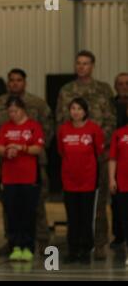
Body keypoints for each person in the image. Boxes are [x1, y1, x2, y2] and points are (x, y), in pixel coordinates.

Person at [56, 50, 116, 260]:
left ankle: (98, 244)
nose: (82, 67)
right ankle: (75, 245)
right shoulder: (66, 90)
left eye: (86, 63)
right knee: (74, 206)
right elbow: (60, 123)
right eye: (79, 63)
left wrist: (97, 143)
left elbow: (110, 120)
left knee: (98, 205)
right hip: (74, 155)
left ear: (93, 66)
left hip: (98, 154)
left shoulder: (103, 89)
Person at [0, 68, 53, 256]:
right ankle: (12, 241)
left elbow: (47, 131)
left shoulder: (38, 104)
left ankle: (41, 241)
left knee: (36, 203)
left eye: (19, 80)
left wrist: (28, 148)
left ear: (25, 82)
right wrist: (7, 149)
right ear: (8, 83)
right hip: (8, 165)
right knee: (10, 205)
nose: (15, 83)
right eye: (12, 80)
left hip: (35, 163)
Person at [0, 96, 45, 262]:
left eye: (15, 111)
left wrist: (21, 147)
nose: (12, 114)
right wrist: (7, 151)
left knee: (28, 214)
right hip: (9, 178)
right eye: (10, 111)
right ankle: (15, 246)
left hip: (28, 177)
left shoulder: (33, 126)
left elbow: (37, 148)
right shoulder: (5, 127)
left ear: (23, 109)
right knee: (12, 213)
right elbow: (0, 147)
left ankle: (28, 247)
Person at [57, 98, 104, 264]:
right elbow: (61, 152)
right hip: (69, 180)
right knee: (72, 217)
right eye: (73, 108)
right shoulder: (63, 130)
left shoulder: (93, 129)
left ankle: (86, 250)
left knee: (86, 217)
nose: (75, 112)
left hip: (88, 181)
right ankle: (73, 250)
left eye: (79, 108)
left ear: (85, 111)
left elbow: (99, 151)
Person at [110, 72, 128, 249]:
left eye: (127, 83)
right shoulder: (110, 104)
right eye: (120, 84)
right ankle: (119, 234)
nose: (124, 87)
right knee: (117, 201)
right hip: (116, 156)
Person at [109, 105, 128, 266]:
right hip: (123, 183)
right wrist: (111, 179)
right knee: (125, 219)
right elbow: (113, 158)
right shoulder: (119, 133)